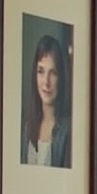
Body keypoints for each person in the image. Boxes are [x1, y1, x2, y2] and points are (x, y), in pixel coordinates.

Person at [21, 33, 71, 167]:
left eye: (53, 73)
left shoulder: (68, 132)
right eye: (41, 71)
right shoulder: (27, 128)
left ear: (61, 78)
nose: (46, 82)